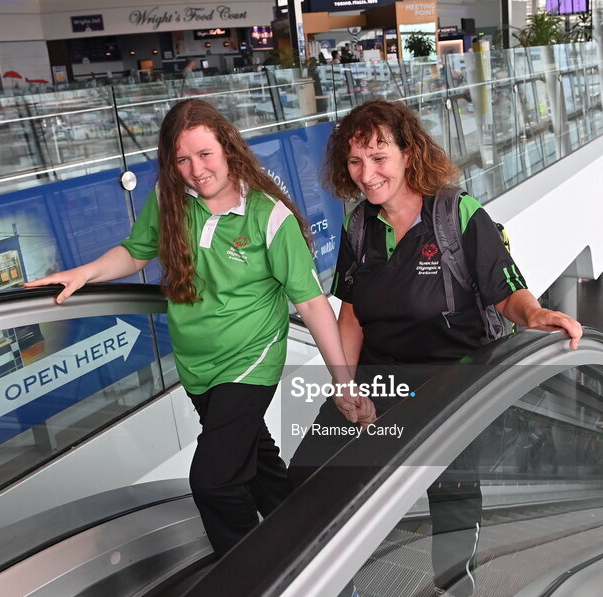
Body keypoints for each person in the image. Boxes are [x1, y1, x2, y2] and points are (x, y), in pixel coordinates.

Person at [291, 99, 582, 597]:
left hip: (452, 379)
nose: (367, 174)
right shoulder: (361, 226)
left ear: (408, 152)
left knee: (448, 490)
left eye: (378, 157)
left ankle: (454, 593)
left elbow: (505, 292)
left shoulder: (456, 214)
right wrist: (345, 386)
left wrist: (536, 313)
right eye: (354, 162)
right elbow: (350, 312)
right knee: (309, 469)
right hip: (380, 376)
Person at [25, 99, 366, 557]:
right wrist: (84, 273)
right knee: (260, 467)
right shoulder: (171, 201)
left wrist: (342, 380)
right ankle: (329, 582)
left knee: (214, 480)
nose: (195, 169)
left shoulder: (269, 217)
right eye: (182, 159)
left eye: (204, 155)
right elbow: (137, 251)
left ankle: (254, 591)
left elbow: (311, 304)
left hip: (249, 363)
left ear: (227, 149)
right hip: (196, 367)